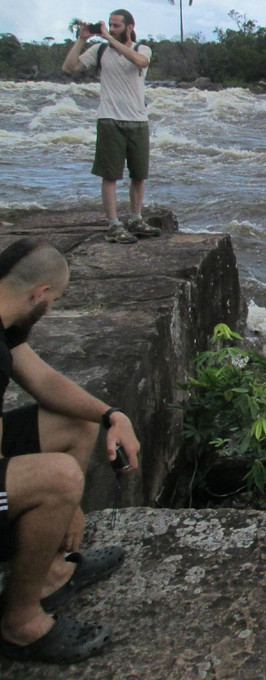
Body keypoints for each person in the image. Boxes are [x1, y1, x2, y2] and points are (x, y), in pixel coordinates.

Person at [0, 238, 141, 663]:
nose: (50, 310)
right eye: (54, 300)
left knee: (78, 423)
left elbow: (45, 382)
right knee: (59, 477)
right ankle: (20, 624)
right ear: (39, 294)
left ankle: (53, 574)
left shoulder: (6, 323)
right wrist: (64, 499)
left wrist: (112, 415)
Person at [62, 9, 160, 244]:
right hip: (109, 119)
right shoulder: (100, 50)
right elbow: (69, 68)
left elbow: (139, 62)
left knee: (139, 175)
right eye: (110, 25)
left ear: (129, 27)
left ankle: (136, 219)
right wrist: (82, 39)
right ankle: (113, 225)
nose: (112, 28)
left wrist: (109, 38)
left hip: (137, 119)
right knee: (110, 175)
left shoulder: (141, 49)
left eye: (117, 25)